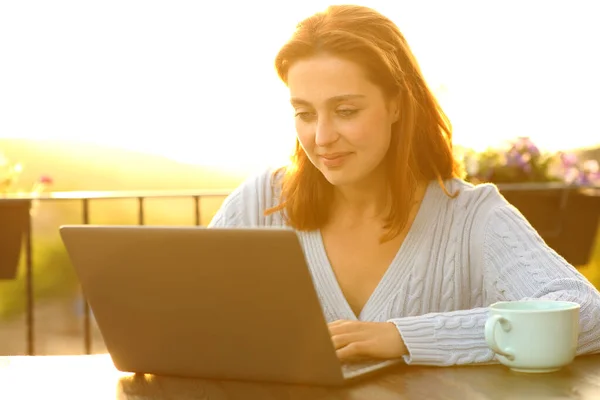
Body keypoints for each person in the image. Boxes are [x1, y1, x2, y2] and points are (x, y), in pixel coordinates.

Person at [208, 4, 600, 366]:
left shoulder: (469, 217)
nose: (322, 137)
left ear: (396, 103)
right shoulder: (261, 203)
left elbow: (587, 312)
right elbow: (185, 310)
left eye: (346, 111)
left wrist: (406, 336)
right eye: (305, 113)